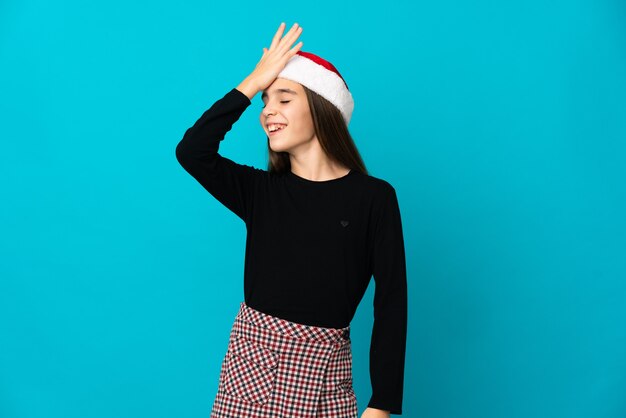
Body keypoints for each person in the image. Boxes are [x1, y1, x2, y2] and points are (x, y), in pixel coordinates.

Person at [175, 22, 408, 418]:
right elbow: (193, 152)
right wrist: (252, 82)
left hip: (325, 379)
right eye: (265, 102)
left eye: (284, 99)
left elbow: (392, 303)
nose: (268, 112)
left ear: (322, 109)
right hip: (249, 374)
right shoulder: (260, 191)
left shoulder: (374, 199)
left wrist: (382, 402)